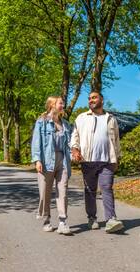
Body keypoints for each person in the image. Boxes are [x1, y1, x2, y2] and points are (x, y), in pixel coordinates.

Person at [70, 91, 124, 233]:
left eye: (94, 98)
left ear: (101, 100)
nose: (90, 100)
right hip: (88, 160)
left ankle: (111, 219)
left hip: (107, 161)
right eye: (89, 98)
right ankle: (92, 218)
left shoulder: (110, 118)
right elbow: (74, 137)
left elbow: (116, 140)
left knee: (107, 188)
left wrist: (117, 158)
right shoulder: (81, 118)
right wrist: (75, 150)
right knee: (90, 190)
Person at [31, 96, 72, 235]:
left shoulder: (65, 124)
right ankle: (46, 219)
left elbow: (70, 144)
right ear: (52, 104)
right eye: (61, 103)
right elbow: (36, 141)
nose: (63, 104)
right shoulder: (42, 122)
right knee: (44, 192)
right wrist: (37, 160)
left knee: (63, 191)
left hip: (63, 160)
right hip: (46, 160)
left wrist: (75, 153)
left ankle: (62, 222)